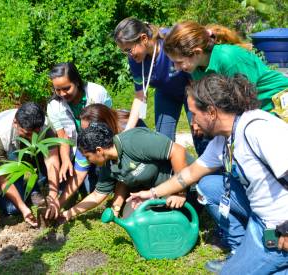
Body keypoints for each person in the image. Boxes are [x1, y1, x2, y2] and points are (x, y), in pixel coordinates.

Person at [128, 74, 288, 274]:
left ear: (211, 112)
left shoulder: (257, 130)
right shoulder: (224, 140)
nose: (192, 121)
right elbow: (189, 174)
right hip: (259, 217)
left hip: (279, 225)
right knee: (209, 185)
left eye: (194, 113)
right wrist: (151, 193)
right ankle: (243, 250)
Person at [60, 122, 195, 221]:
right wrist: (68, 214)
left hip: (189, 183)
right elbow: (97, 195)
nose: (88, 161)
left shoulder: (134, 141)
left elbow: (178, 151)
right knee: (130, 216)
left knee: (178, 218)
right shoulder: (107, 164)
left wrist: (180, 192)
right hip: (158, 192)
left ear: (99, 150)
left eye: (88, 156)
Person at [113, 18, 208, 154]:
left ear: (143, 38)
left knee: (200, 134)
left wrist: (196, 114)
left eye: (129, 50)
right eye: (124, 52)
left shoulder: (170, 41)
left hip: (193, 90)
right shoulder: (134, 59)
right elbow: (140, 96)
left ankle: (212, 171)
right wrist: (126, 132)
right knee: (164, 142)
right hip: (166, 93)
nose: (128, 55)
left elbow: (196, 78)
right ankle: (173, 171)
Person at [163, 21, 288, 114]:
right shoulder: (195, 68)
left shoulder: (228, 58)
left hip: (276, 102)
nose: (177, 67)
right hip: (255, 107)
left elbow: (246, 103)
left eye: (179, 62)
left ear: (197, 52)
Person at [56, 104, 147, 216]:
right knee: (91, 187)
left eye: (88, 130)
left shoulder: (128, 131)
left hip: (144, 174)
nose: (84, 134)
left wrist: (116, 204)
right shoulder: (89, 139)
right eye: (83, 130)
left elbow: (126, 173)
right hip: (121, 169)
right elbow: (80, 175)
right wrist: (59, 205)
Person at [0, 102, 60, 226]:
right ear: (15, 123)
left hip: (34, 157)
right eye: (28, 134)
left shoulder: (44, 124)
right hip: (9, 161)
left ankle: (35, 187)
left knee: (59, 190)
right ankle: (28, 187)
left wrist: (53, 195)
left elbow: (52, 160)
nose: (33, 139)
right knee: (12, 208)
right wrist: (23, 208)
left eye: (37, 133)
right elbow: (2, 177)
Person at [46, 62, 112, 193]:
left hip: (102, 145)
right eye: (57, 90)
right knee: (87, 189)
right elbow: (63, 137)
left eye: (66, 88)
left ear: (76, 81)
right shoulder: (54, 106)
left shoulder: (97, 93)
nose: (62, 94)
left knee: (99, 182)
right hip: (80, 150)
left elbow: (110, 123)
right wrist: (65, 160)